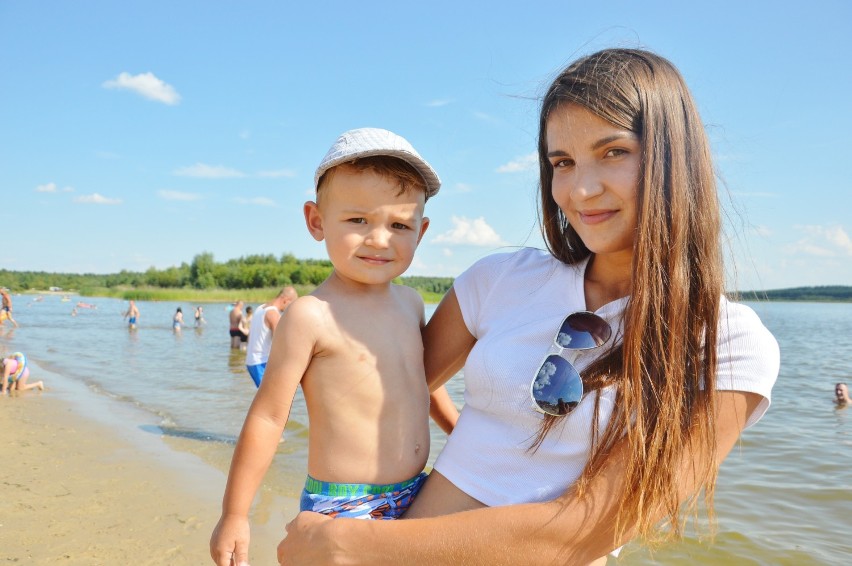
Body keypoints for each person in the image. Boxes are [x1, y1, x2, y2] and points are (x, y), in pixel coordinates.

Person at [276, 49, 781, 565]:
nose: (580, 189)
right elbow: (385, 391)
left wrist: (345, 544)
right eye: (562, 162)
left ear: (676, 158)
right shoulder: (501, 279)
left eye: (613, 152)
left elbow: (583, 530)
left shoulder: (724, 342)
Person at [210, 127, 460, 566]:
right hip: (345, 506)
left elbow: (421, 384)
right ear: (316, 221)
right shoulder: (310, 314)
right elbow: (269, 416)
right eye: (358, 220)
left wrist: (463, 433)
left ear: (420, 232)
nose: (380, 239)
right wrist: (234, 514)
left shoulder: (411, 303)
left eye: (399, 225)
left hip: (420, 491)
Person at [245, 286, 298, 387]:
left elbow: (249, 337)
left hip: (251, 361)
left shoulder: (260, 308)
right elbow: (280, 343)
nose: (289, 309)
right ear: (286, 300)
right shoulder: (273, 314)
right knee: (272, 400)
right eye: (291, 305)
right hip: (262, 362)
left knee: (267, 398)